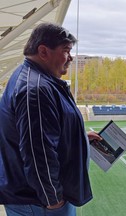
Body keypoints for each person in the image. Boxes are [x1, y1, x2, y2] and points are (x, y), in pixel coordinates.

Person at [0, 22, 101, 215]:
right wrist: (53, 201)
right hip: (39, 203)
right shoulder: (35, 89)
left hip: (35, 199)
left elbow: (39, 133)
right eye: (66, 50)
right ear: (44, 51)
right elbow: (37, 152)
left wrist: (78, 137)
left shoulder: (35, 79)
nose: (70, 57)